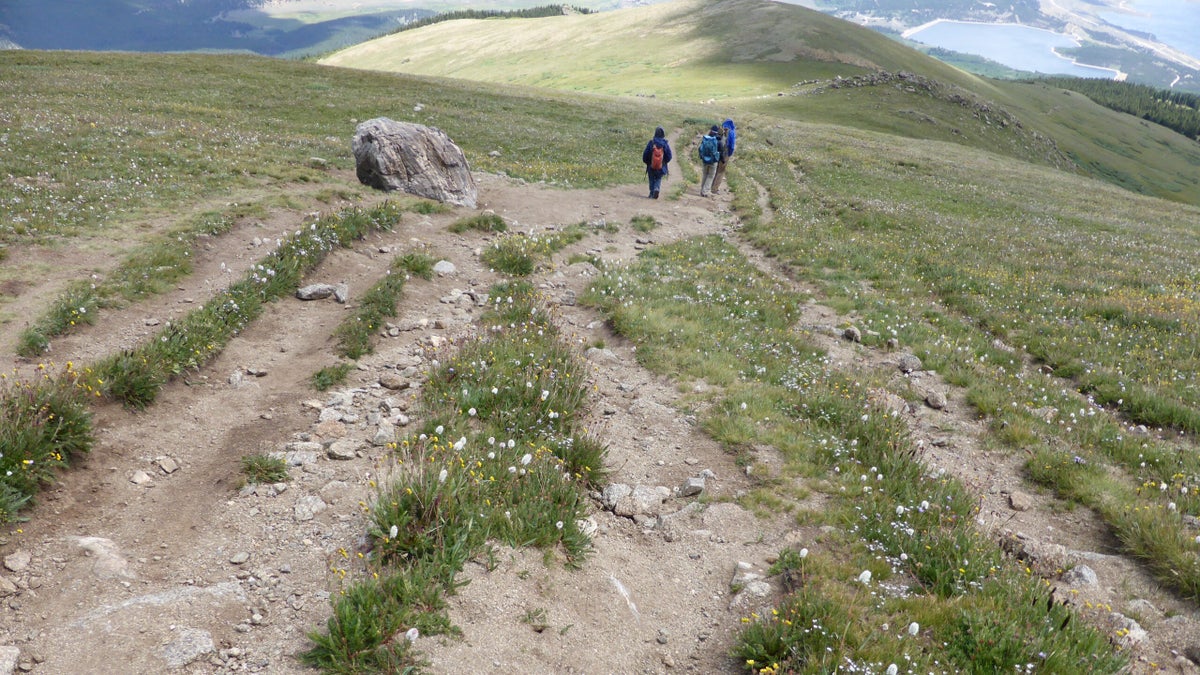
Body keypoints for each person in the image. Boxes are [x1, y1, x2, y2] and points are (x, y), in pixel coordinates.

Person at [642, 127, 673, 199]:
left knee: (651, 179)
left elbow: (645, 154)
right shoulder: (665, 144)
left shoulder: (651, 143)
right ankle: (657, 189)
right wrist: (664, 162)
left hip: (651, 166)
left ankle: (651, 193)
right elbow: (669, 156)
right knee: (658, 178)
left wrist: (647, 162)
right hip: (661, 166)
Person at [711, 118, 736, 194]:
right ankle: (714, 189)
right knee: (721, 171)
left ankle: (709, 186)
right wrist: (729, 154)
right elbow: (731, 146)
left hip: (717, 152)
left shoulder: (720, 130)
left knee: (715, 169)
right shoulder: (731, 132)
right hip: (725, 153)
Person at [698, 125, 723, 197]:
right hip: (713, 161)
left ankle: (702, 190)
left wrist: (701, 157)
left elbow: (700, 149)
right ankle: (705, 191)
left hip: (705, 160)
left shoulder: (705, 139)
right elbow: (721, 151)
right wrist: (722, 160)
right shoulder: (718, 140)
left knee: (705, 174)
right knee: (710, 176)